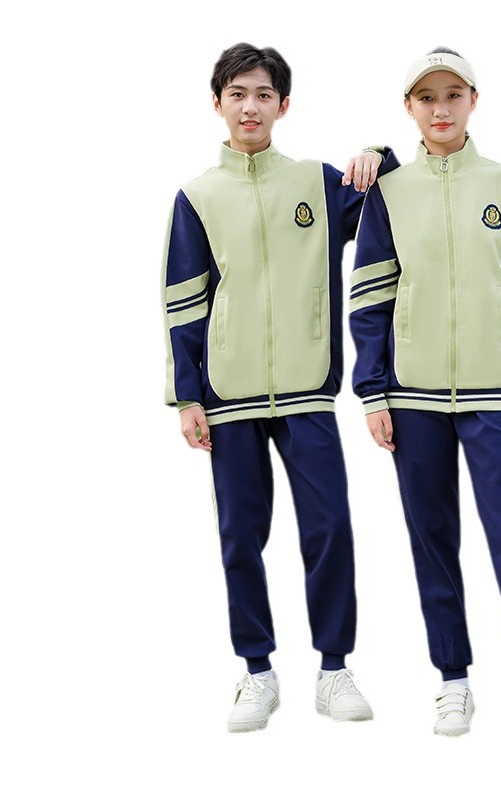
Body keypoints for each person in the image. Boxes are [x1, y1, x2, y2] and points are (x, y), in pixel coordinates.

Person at [349, 47, 501, 769]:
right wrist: (374, 390)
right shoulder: (390, 192)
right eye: (427, 98)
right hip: (411, 399)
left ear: (474, 101)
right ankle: (453, 680)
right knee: (432, 539)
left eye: (453, 94)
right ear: (410, 109)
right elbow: (370, 298)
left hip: (495, 394)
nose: (441, 108)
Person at [162, 42, 398, 733]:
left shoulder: (316, 184)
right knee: (241, 535)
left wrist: (379, 154)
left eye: (263, 94)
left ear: (283, 106)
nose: (250, 107)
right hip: (228, 396)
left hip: (306, 391)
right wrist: (188, 396)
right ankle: (257, 671)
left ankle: (334, 670)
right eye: (237, 94)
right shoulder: (197, 197)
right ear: (217, 104)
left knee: (330, 529)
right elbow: (183, 303)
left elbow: (391, 193)